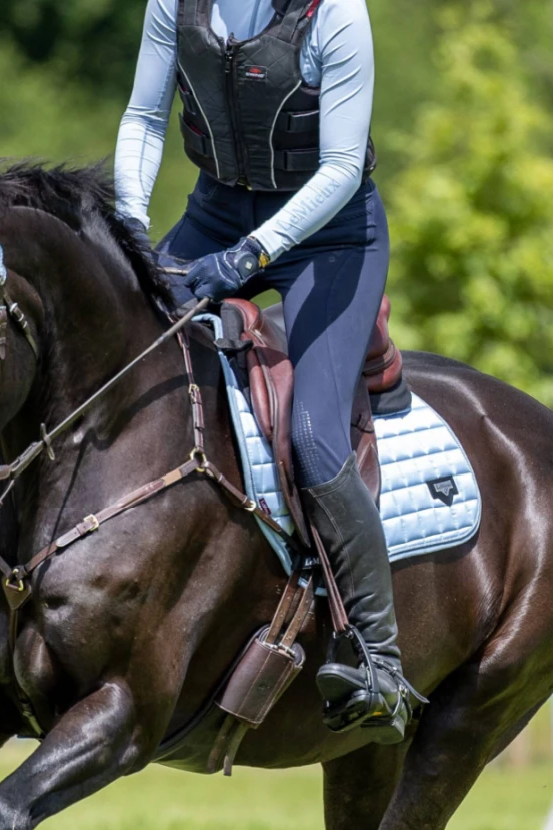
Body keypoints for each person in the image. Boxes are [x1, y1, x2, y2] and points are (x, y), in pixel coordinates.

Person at [115, 0, 418, 744]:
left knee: (315, 439)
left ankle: (381, 661)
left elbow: (343, 167)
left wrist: (253, 255)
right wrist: (128, 227)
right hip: (214, 217)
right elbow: (144, 120)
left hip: (332, 239)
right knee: (124, 364)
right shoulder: (173, 5)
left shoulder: (337, 15)